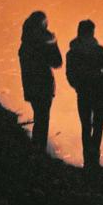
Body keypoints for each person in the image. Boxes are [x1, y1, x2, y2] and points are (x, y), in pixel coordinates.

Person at [66, 19, 103, 171]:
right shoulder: (99, 50)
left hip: (83, 93)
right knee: (98, 126)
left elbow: (70, 74)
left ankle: (88, 161)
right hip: (99, 93)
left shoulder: (73, 52)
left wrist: (78, 86)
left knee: (86, 126)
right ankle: (94, 160)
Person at [18, 11, 62, 152]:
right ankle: (39, 151)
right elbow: (57, 62)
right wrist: (53, 42)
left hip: (30, 86)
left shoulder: (25, 44)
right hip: (44, 85)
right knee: (43, 119)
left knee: (39, 117)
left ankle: (35, 149)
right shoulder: (46, 41)